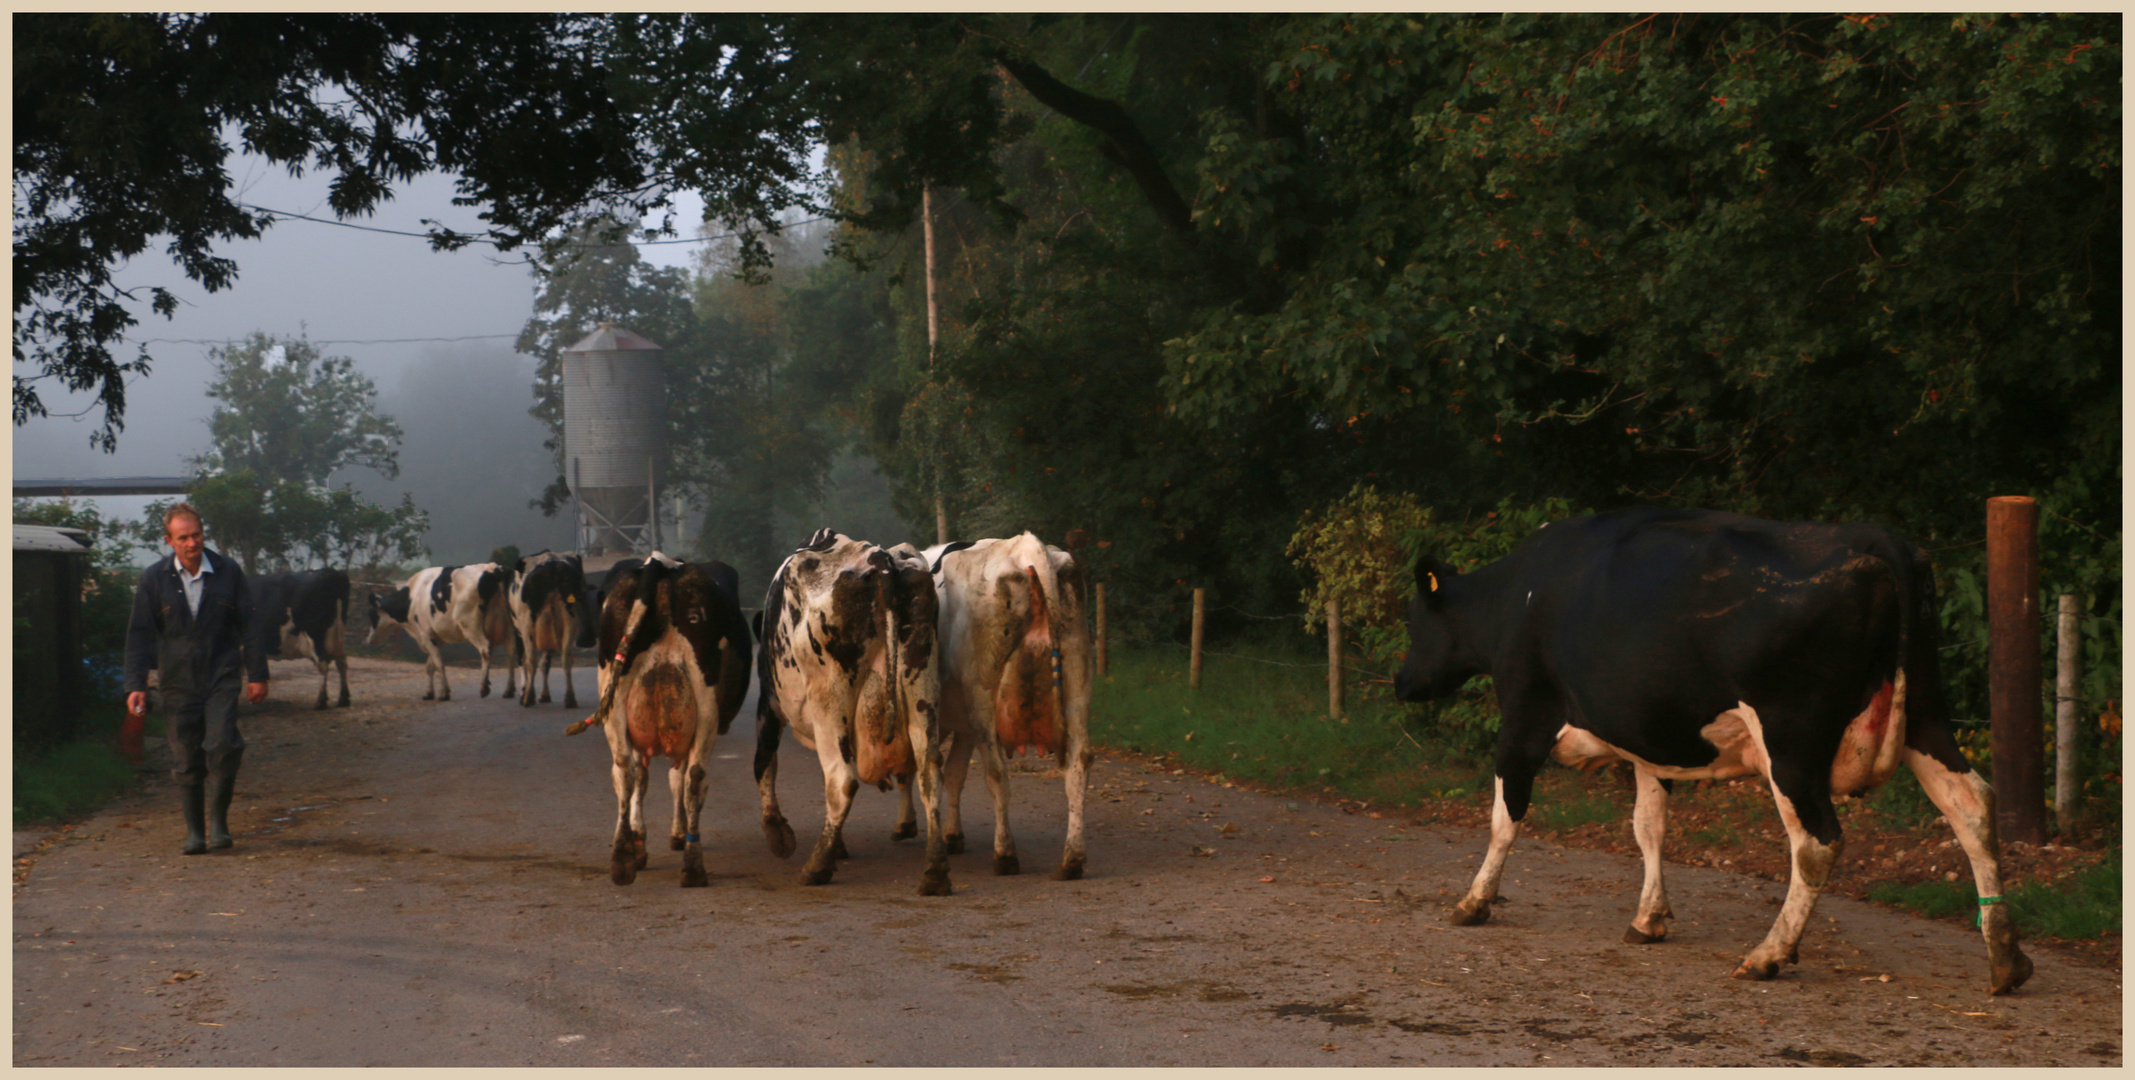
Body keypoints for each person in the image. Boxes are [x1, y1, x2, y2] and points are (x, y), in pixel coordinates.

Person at [124, 503, 269, 855]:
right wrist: (135, 684)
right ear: (169, 540)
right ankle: (195, 832)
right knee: (186, 756)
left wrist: (258, 674)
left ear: (204, 534)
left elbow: (249, 626)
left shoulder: (228, 571)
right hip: (176, 679)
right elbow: (140, 634)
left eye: (197, 535)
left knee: (222, 744)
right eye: (183, 537)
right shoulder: (154, 578)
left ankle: (219, 821)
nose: (192, 543)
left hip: (221, 673)